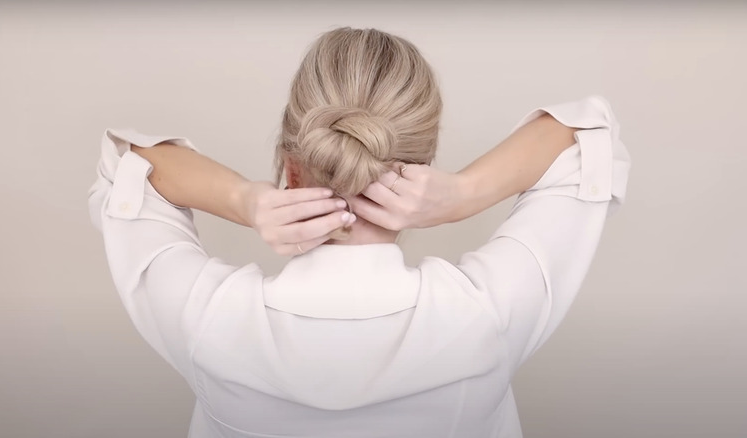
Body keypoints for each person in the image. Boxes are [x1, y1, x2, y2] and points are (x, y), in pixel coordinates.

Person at [89, 27, 630, 438]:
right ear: (423, 165)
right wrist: (464, 194)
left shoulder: (208, 320)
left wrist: (246, 200)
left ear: (291, 164)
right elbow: (585, 134)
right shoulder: (489, 316)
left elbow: (127, 166)